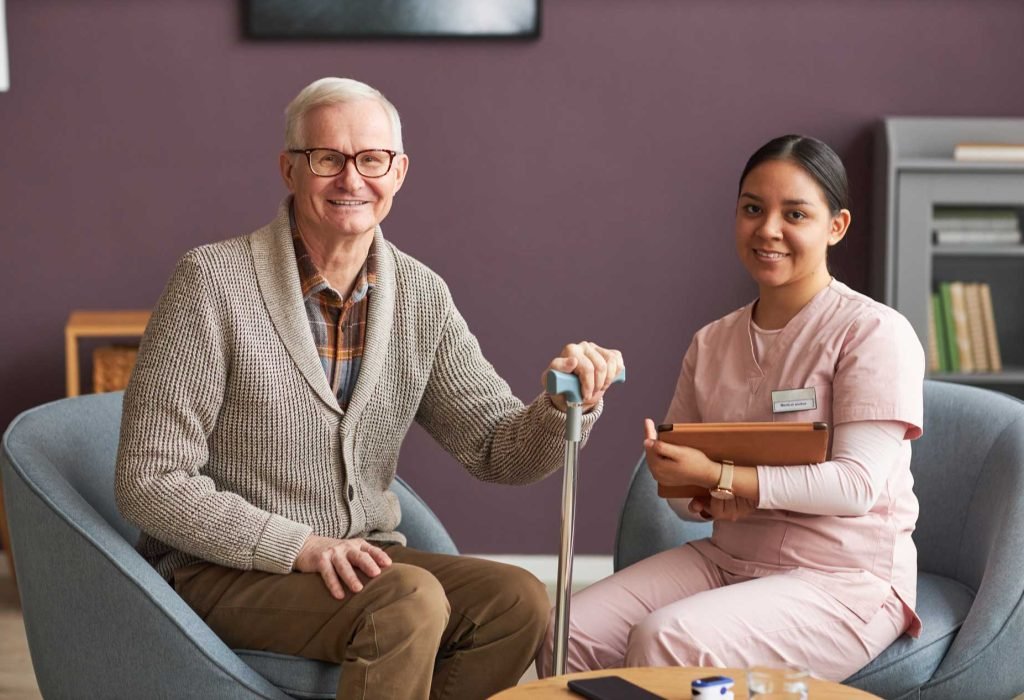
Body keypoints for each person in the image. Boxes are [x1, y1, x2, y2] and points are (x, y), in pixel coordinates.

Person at [115, 76, 624, 700]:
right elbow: (149, 481)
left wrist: (563, 405)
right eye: (327, 158)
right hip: (222, 569)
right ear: (290, 169)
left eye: (372, 159)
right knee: (406, 602)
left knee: (516, 601)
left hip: (360, 560)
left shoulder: (420, 296)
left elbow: (497, 449)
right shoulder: (212, 282)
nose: (351, 180)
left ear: (399, 171)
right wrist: (297, 545)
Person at [537, 134, 924, 681]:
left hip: (843, 578)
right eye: (752, 209)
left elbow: (856, 485)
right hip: (728, 561)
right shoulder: (712, 341)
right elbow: (681, 502)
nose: (768, 229)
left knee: (666, 640)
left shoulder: (874, 332)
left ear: (835, 226)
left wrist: (725, 475)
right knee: (566, 627)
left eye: (795, 213)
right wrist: (692, 489)